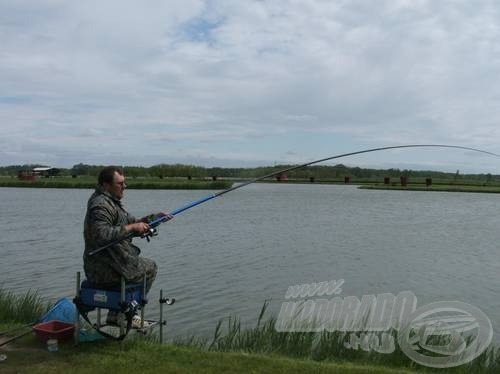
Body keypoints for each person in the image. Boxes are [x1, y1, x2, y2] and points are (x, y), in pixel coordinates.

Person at [83, 166, 172, 326]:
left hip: (113, 263)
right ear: (105, 185)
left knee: (143, 265)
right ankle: (126, 313)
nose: (125, 187)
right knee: (151, 267)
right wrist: (132, 228)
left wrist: (155, 218)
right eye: (120, 183)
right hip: (104, 268)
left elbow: (133, 223)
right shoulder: (101, 205)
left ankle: (117, 314)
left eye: (124, 183)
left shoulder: (112, 203)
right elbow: (101, 235)